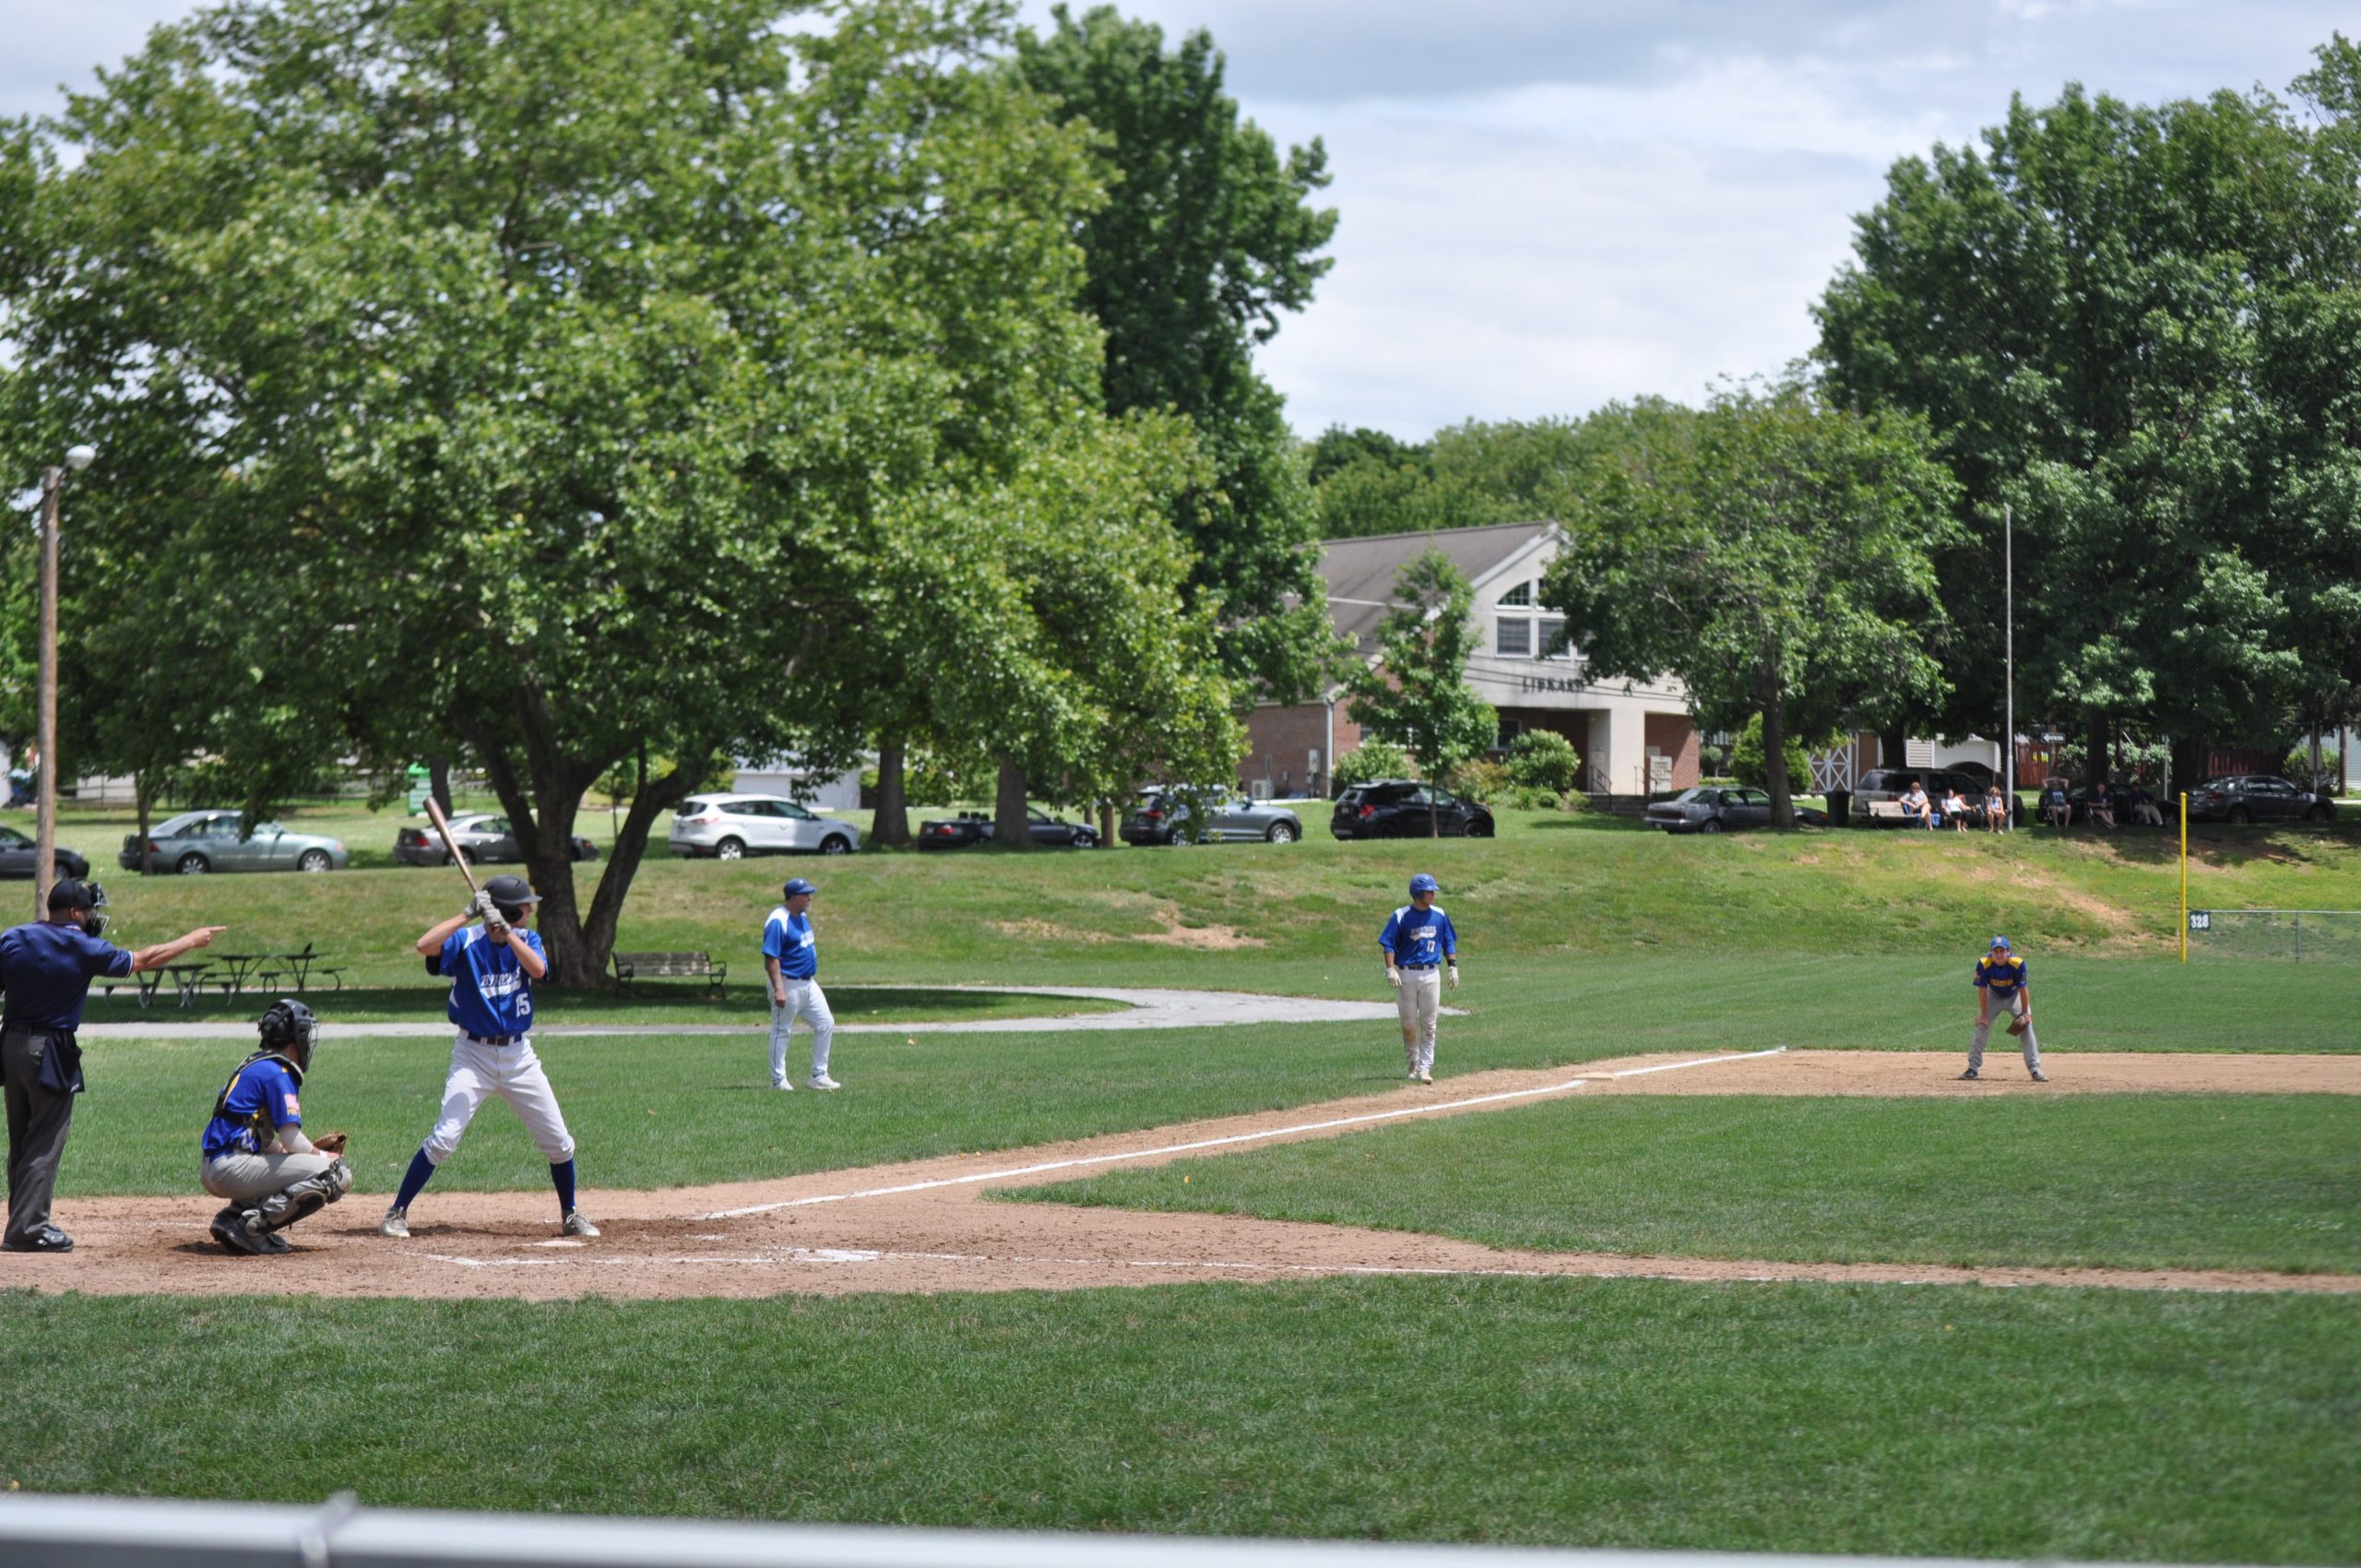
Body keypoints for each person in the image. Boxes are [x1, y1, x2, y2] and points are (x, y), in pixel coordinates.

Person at [2, 880, 224, 1252]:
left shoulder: (13, 937)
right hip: (50, 1048)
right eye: (88, 910)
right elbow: (143, 960)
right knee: (45, 1139)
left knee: (22, 1139)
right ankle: (28, 1229)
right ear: (75, 912)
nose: (91, 916)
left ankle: (21, 1220)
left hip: (10, 1044)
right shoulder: (81, 946)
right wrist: (190, 940)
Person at [377, 874, 597, 1240]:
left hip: (518, 1055)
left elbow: (539, 970)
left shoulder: (527, 939)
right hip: (473, 1055)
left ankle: (570, 1214)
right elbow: (423, 946)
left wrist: (507, 931)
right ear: (512, 910)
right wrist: (468, 914)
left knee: (559, 1142)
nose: (530, 911)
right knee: (444, 1138)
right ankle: (396, 1212)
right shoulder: (466, 941)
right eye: (525, 907)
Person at [199, 1000, 351, 1254]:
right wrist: (325, 1156)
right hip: (232, 1168)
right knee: (335, 1174)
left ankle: (233, 1217)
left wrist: (289, 1153)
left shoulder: (258, 1064)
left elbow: (261, 1137)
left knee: (292, 1160)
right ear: (296, 1037)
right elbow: (292, 1139)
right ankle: (251, 1228)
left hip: (218, 1165)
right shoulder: (279, 1072)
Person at [1379, 873, 1460, 1084]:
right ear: (1417, 893)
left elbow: (1448, 941)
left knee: (1429, 1023)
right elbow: (1388, 943)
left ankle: (1425, 1067)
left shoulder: (1440, 915)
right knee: (1408, 1023)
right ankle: (1413, 1062)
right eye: (1428, 891)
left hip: (1431, 973)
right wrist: (1390, 969)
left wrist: (1453, 967)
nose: (1433, 894)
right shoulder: (1401, 915)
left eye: (1433, 890)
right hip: (1406, 973)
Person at [764, 877, 838, 1091]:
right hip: (787, 982)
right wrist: (778, 988)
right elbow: (771, 958)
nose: (809, 898)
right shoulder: (778, 920)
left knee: (825, 1023)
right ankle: (779, 1080)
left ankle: (819, 1075)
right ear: (794, 897)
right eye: (805, 894)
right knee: (782, 1030)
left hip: (808, 983)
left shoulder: (802, 916)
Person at [1963, 934, 2047, 1082]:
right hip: (1993, 996)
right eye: (1996, 951)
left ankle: (2035, 1069)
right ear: (1991, 952)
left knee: (2026, 1027)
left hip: (2014, 997)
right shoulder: (1984, 964)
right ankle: (1972, 1068)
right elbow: (1982, 990)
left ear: (2009, 952)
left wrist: (2025, 1013)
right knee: (1982, 1026)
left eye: (2003, 951)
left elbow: (2023, 989)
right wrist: (1983, 1015)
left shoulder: (2018, 964)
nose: (1999, 955)